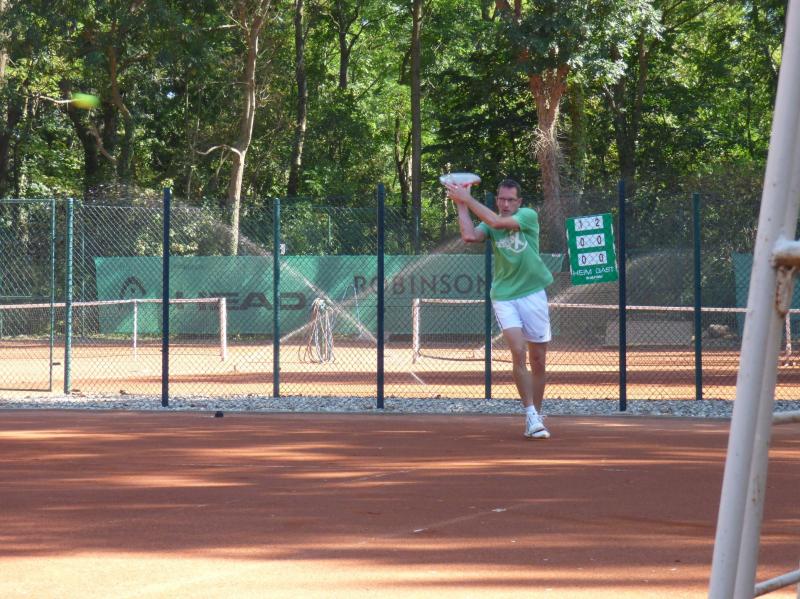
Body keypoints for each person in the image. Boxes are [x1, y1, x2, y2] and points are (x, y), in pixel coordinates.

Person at [445, 178, 553, 439]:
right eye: (501, 199)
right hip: (504, 296)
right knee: (518, 350)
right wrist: (461, 204)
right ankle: (530, 414)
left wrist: (467, 198)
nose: (505, 204)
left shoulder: (527, 216)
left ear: (519, 202)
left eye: (510, 200)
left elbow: (495, 222)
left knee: (538, 360)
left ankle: (536, 416)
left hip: (533, 293)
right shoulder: (490, 222)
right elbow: (470, 236)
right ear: (497, 200)